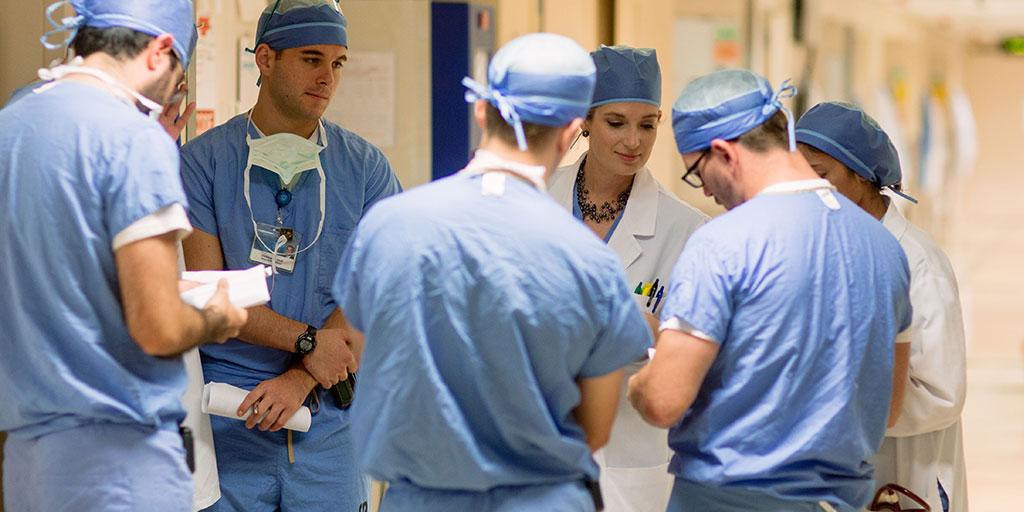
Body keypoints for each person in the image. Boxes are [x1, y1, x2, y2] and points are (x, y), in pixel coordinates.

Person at [331, 33, 653, 512]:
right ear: (570, 131)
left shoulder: (390, 226)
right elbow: (596, 427)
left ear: (482, 113)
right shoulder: (588, 260)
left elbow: (359, 348)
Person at [626, 69, 914, 512]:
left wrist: (644, 375)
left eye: (697, 173)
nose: (705, 190)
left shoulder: (722, 244)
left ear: (724, 153)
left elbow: (664, 402)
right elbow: (888, 408)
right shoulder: (885, 248)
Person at [0, 1, 248, 511]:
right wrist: (215, 316)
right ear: (160, 52)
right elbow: (158, 327)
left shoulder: (13, 125)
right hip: (118, 464)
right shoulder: (131, 138)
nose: (171, 98)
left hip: (27, 459)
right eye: (177, 80)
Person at [179, 0, 402, 510]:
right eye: (310, 58)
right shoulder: (204, 165)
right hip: (232, 415)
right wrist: (307, 341)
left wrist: (301, 377)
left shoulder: (366, 170)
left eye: (338, 62)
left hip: (329, 414)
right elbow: (212, 296)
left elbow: (373, 293)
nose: (327, 77)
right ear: (264, 59)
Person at [547, 44, 706, 512]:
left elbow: (689, 359)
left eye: (647, 125)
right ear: (585, 121)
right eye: (616, 123)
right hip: (538, 441)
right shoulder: (534, 200)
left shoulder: (686, 229)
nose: (633, 141)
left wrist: (641, 335)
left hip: (630, 455)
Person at [795, 101, 968, 512]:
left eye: (820, 175)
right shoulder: (820, 245)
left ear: (861, 175)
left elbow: (943, 394)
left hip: (907, 478)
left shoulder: (917, 260)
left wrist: (840, 398)